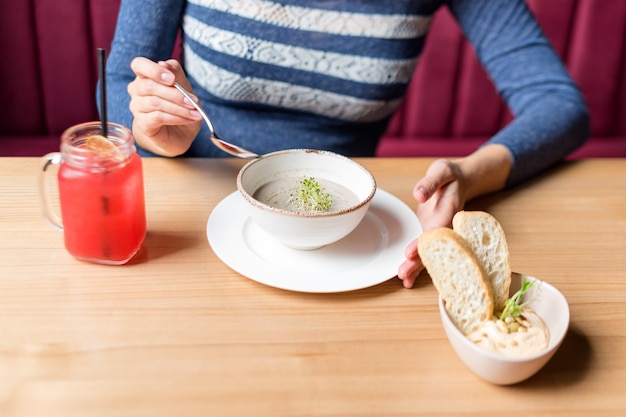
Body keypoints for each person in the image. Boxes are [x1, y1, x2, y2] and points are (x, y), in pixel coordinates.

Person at [104, 0, 589, 288]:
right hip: (189, 219)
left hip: (351, 237)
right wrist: (157, 136)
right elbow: (118, 78)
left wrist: (467, 175)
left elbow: (558, 105)